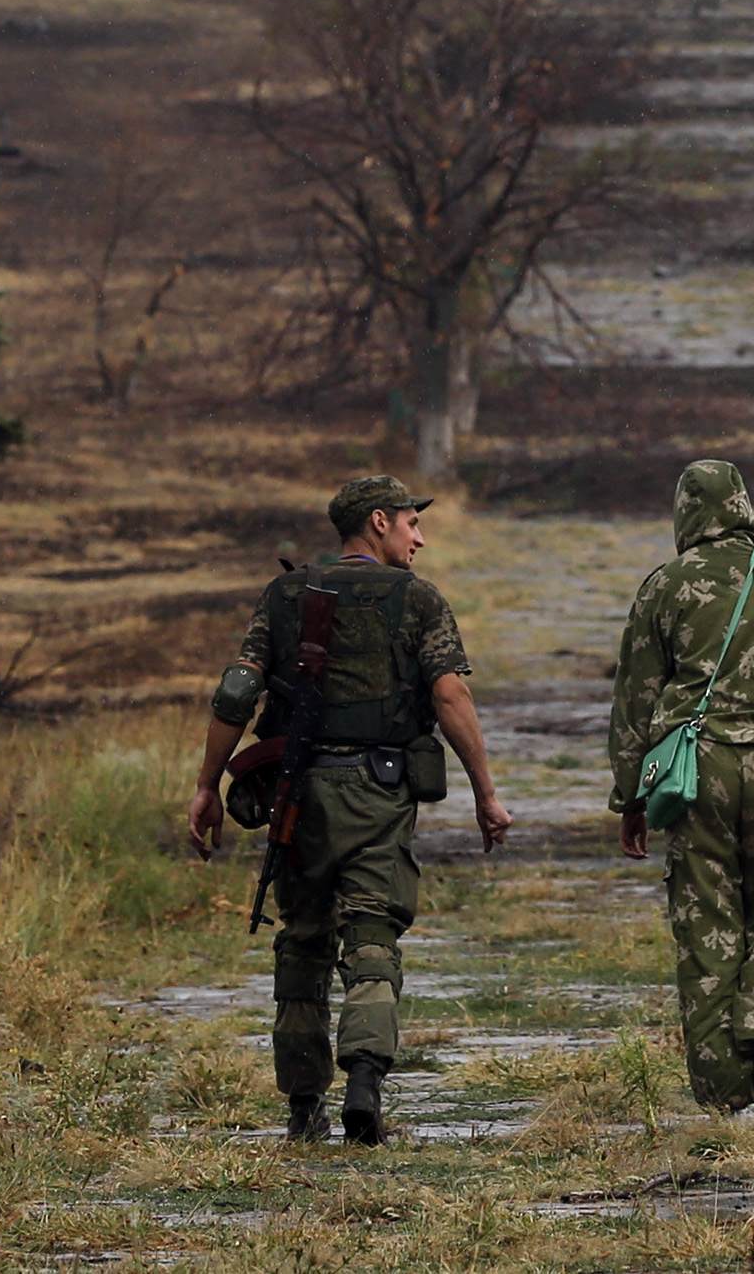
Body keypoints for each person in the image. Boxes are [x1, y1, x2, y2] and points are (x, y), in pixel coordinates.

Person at [186, 475, 512, 1146]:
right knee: (370, 935)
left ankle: (305, 1105)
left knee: (302, 940)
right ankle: (364, 1081)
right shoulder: (417, 599)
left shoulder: (286, 595)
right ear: (378, 521)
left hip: (297, 794)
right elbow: (450, 695)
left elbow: (237, 689)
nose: (419, 538)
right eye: (411, 524)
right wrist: (485, 789)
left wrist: (205, 785)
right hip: (377, 791)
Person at [608, 460, 754, 1124]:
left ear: (685, 511)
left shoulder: (664, 586)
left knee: (708, 926)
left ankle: (723, 1090)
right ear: (743, 504)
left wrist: (630, 796)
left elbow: (635, 701)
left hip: (694, 775)